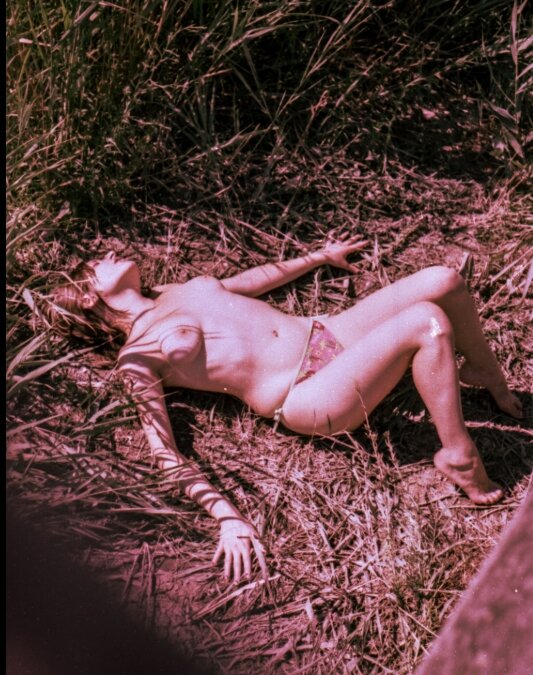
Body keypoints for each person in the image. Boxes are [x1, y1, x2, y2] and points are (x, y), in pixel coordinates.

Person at [49, 235, 523, 583]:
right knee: (427, 322)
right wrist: (226, 517)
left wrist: (318, 257)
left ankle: (483, 371)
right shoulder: (136, 358)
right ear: (88, 295)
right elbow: (165, 453)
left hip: (327, 332)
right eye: (97, 263)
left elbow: (247, 284)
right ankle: (457, 455)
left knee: (443, 279)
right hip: (305, 392)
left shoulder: (171, 291)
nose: (108, 253)